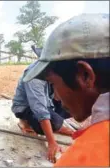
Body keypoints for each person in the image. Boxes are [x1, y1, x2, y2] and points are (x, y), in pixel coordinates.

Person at [23, 13, 109, 166]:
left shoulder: (82, 159)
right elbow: (40, 109)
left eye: (53, 83)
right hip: (30, 109)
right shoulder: (33, 81)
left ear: (85, 76)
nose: (56, 95)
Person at [11, 46, 75, 163]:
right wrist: (51, 142)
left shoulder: (52, 72)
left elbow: (54, 97)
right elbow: (40, 110)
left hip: (45, 103)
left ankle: (54, 126)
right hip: (26, 107)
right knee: (54, 122)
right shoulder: (35, 76)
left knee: (72, 106)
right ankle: (25, 122)